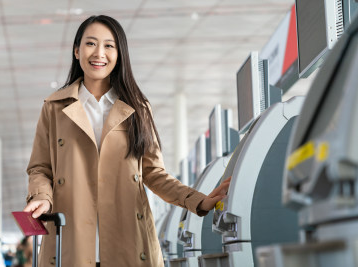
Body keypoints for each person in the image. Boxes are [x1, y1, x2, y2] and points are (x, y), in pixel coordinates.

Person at [23, 15, 230, 267]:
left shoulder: (137, 109)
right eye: (90, 43)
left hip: (128, 243)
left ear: (120, 54)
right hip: (70, 242)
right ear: (76, 51)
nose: (99, 53)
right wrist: (42, 196)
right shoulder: (54, 108)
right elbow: (40, 168)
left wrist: (199, 200)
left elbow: (155, 175)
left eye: (109, 46)